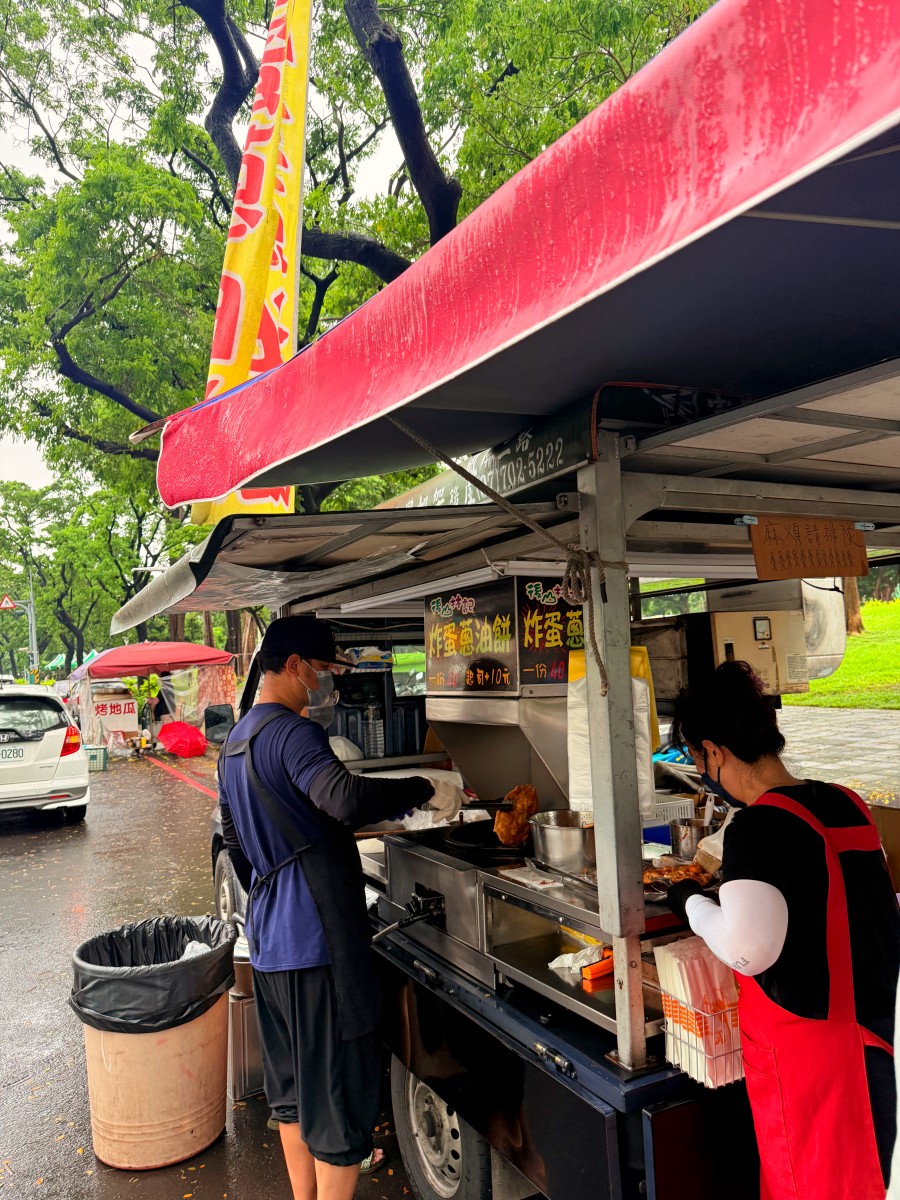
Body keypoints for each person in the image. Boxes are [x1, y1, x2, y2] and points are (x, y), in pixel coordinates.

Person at [218, 616, 464, 1200]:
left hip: (272, 949)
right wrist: (423, 787)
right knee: (337, 1106)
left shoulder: (234, 743)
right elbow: (343, 797)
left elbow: (237, 848)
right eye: (324, 670)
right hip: (319, 948)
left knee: (295, 1099)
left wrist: (281, 888)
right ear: (295, 665)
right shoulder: (293, 734)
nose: (327, 683)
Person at [668, 660, 900, 1200]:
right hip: (869, 1038)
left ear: (714, 752)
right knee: (862, 1179)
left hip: (806, 1064)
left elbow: (747, 949)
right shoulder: (846, 802)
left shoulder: (759, 825)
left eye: (697, 759)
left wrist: (690, 902)